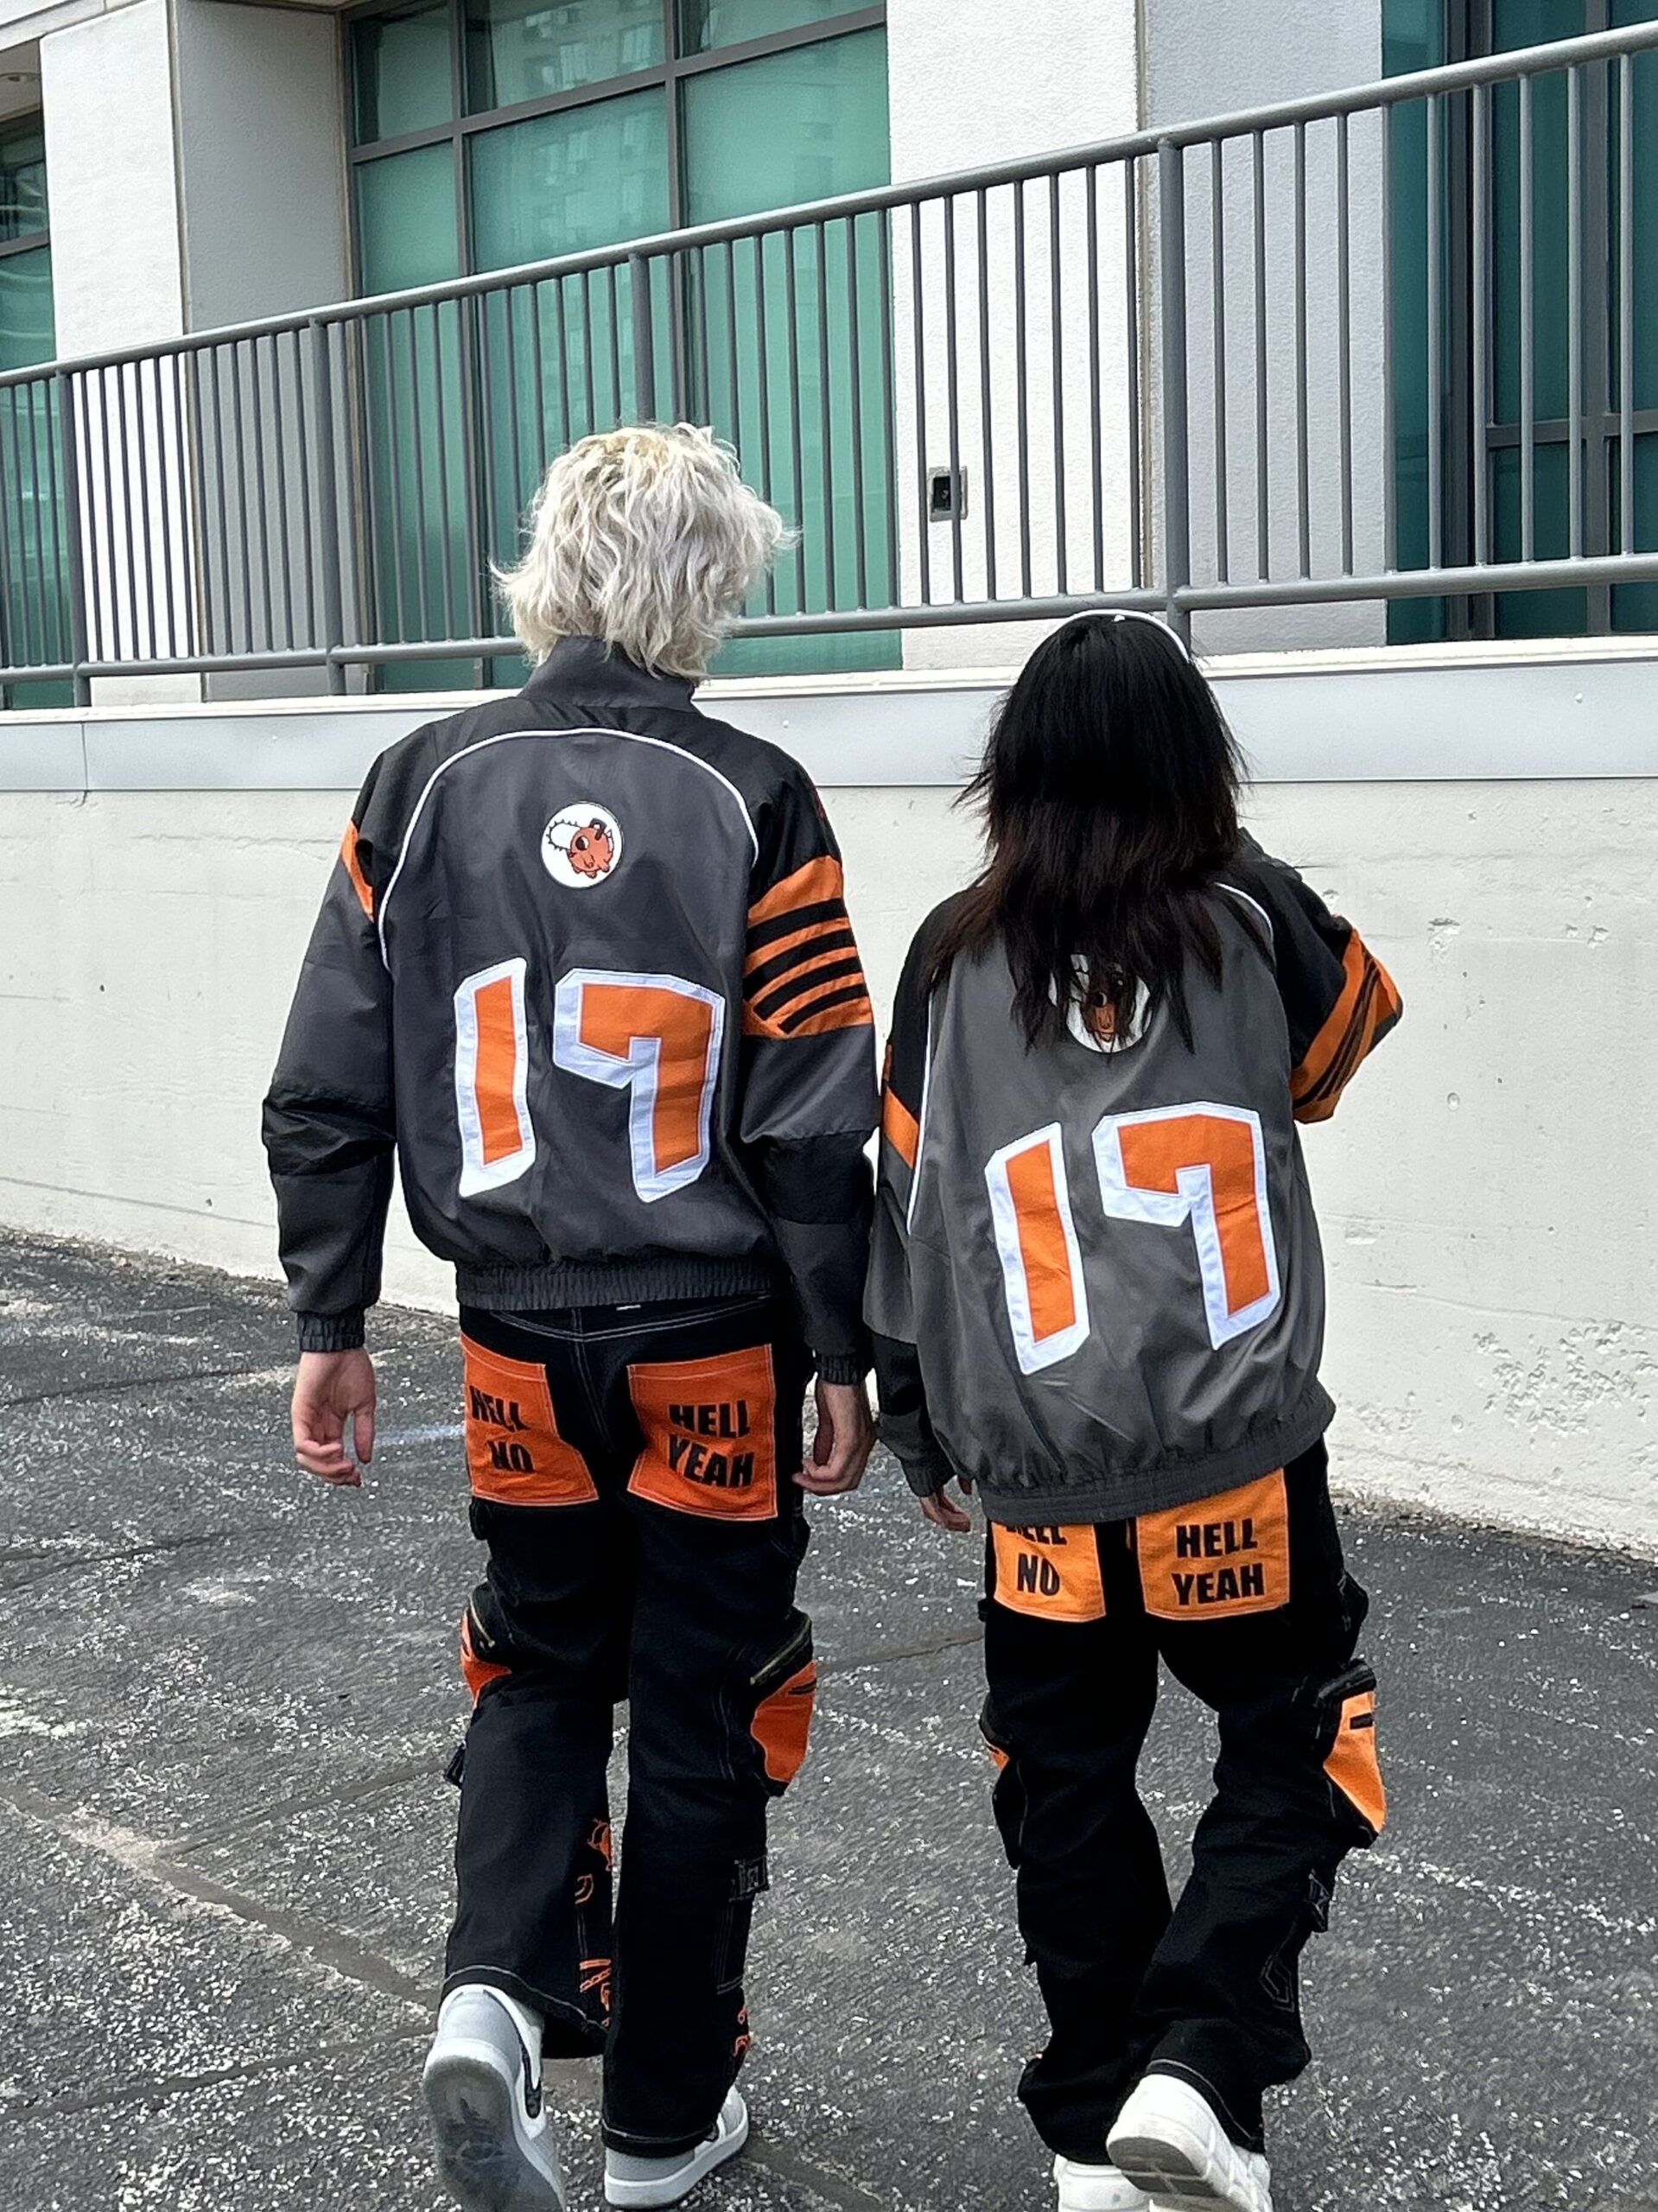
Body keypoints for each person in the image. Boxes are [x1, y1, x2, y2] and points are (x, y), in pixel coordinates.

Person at [263, 424, 878, 2212]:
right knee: (704, 1703)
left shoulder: (418, 778)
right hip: (714, 1331)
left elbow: (328, 1074)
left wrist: (330, 1314)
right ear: (710, 581)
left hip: (514, 1332)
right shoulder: (757, 792)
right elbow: (810, 1114)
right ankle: (665, 2123)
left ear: (549, 567)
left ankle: (495, 1995)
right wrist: (848, 1350)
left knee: (536, 1661)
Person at [867, 612, 1400, 2212]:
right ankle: (1202, 2062)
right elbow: (1349, 1039)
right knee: (1299, 1738)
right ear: (1198, 766)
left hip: (1039, 1481)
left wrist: (915, 1418)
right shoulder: (1249, 919)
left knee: (1065, 1789)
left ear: (1011, 773)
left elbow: (908, 1204)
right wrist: (1216, 849)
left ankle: (1097, 2122)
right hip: (1240, 1465)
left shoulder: (948, 959)